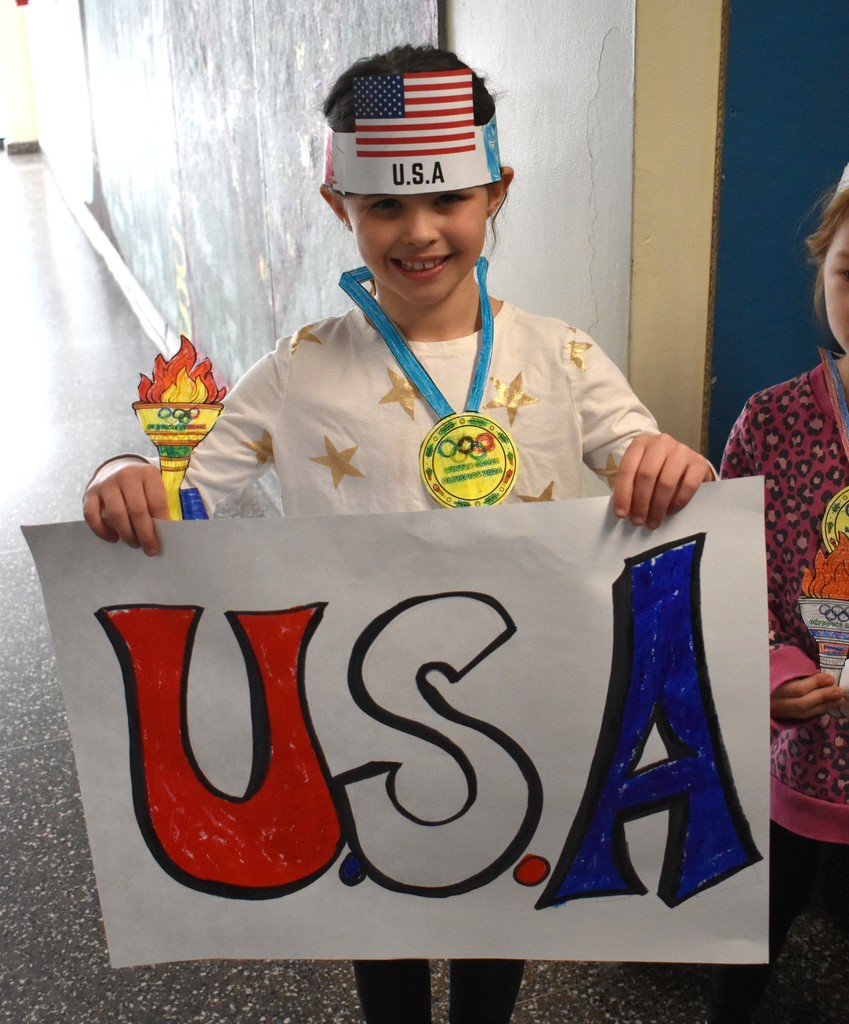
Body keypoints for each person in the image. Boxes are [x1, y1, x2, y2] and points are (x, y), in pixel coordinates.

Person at [83, 43, 712, 1024]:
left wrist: (674, 468)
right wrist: (119, 478)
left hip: (522, 705)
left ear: (497, 190)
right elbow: (181, 491)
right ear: (343, 206)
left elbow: (661, 471)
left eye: (450, 198)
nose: (420, 232)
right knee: (380, 919)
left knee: (498, 919)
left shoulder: (566, 357)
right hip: (354, 717)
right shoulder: (297, 371)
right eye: (385, 206)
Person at [708, 171, 849, 1023]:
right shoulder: (771, 422)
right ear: (820, 271)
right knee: (750, 936)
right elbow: (730, 573)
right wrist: (772, 671)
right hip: (796, 753)